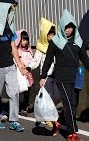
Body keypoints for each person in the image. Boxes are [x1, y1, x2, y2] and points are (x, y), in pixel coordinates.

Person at [40, 10, 89, 141]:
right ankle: (71, 133)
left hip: (75, 77)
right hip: (61, 77)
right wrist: (43, 76)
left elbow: (85, 59)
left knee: (73, 104)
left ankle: (63, 123)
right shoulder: (55, 42)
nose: (68, 30)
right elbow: (48, 60)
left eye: (70, 27)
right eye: (65, 27)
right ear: (61, 26)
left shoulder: (78, 41)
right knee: (68, 103)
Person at [0, 1, 26, 131]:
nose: (8, 16)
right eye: (6, 14)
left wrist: (20, 65)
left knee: (14, 92)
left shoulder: (10, 29)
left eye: (9, 14)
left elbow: (13, 47)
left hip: (10, 66)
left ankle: (14, 120)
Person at [14, 30, 35, 115]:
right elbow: (15, 60)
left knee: (27, 91)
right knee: (20, 90)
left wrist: (28, 65)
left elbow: (32, 61)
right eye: (23, 40)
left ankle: (25, 107)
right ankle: (19, 107)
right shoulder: (16, 51)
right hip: (18, 73)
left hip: (27, 73)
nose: (25, 42)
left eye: (26, 40)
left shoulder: (29, 51)